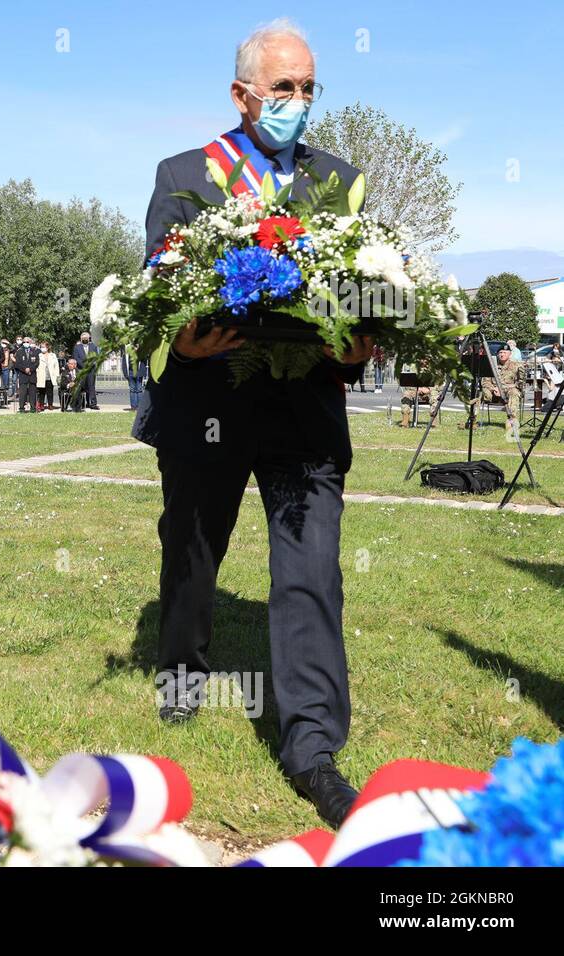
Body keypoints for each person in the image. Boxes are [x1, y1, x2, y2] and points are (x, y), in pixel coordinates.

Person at [134, 20, 370, 828]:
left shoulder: (340, 181)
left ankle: (313, 749)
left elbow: (359, 292)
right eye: (284, 89)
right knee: (192, 549)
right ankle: (182, 669)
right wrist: (187, 339)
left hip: (305, 413)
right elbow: (156, 286)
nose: (298, 103)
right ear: (242, 95)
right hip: (207, 405)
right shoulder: (186, 174)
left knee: (311, 573)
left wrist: (363, 338)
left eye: (308, 89)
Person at [484, 346, 522, 439]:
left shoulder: (517, 365)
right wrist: (493, 389)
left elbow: (520, 383)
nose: (502, 354)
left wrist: (502, 389)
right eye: (500, 352)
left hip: (508, 391)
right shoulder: (492, 365)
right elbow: (485, 381)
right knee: (480, 393)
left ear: (510, 354)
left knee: (514, 392)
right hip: (493, 392)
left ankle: (511, 420)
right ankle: (473, 419)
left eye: (504, 352)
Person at [73, 332, 100, 409]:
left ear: (89, 338)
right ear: (81, 339)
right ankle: (81, 403)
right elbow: (76, 358)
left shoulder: (93, 346)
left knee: (91, 387)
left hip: (91, 370)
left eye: (86, 338)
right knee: (81, 387)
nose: (85, 339)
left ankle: (92, 404)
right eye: (83, 338)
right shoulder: (77, 347)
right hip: (81, 370)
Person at [14, 336, 40, 412]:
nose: (26, 343)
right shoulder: (19, 351)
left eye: (27, 342)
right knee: (23, 392)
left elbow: (37, 363)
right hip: (23, 374)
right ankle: (21, 408)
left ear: (30, 342)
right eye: (24, 342)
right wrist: (24, 369)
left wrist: (30, 369)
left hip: (32, 374)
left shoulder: (35, 351)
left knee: (32, 392)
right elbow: (17, 364)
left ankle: (33, 408)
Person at [37, 341, 60, 410]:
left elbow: (56, 365)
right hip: (41, 375)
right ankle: (41, 405)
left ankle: (50, 405)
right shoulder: (39, 355)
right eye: (41, 347)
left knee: (50, 391)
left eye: (43, 347)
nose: (42, 348)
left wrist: (56, 375)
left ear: (47, 347)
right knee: (42, 392)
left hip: (50, 376)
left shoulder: (53, 355)